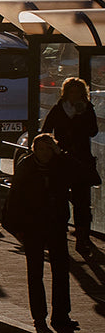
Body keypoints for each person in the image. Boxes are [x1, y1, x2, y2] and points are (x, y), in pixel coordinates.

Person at [3, 133, 76, 333]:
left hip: (56, 225)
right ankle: (39, 316)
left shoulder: (60, 165)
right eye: (41, 149)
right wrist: (16, 228)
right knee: (35, 273)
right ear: (34, 150)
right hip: (33, 226)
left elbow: (88, 175)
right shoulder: (26, 167)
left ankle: (61, 315)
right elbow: (14, 198)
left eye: (49, 149)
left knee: (60, 271)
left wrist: (62, 155)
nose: (45, 154)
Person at [41, 77, 100, 255]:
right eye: (71, 92)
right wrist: (52, 148)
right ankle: (60, 232)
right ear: (66, 94)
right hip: (61, 160)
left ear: (83, 94)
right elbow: (46, 129)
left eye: (78, 93)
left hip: (80, 161)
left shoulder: (87, 109)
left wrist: (82, 116)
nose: (74, 96)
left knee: (82, 201)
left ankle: (82, 237)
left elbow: (93, 131)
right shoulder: (60, 109)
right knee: (59, 198)